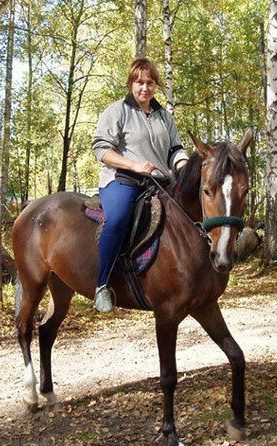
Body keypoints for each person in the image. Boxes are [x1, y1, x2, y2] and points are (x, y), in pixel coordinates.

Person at [92, 58, 189, 312]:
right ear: (130, 83)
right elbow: (102, 150)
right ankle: (102, 286)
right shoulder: (117, 111)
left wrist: (183, 166)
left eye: (150, 82)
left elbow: (175, 149)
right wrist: (134, 165)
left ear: (156, 85)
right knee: (118, 219)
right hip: (122, 180)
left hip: (159, 181)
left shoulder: (164, 116)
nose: (144, 87)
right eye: (139, 82)